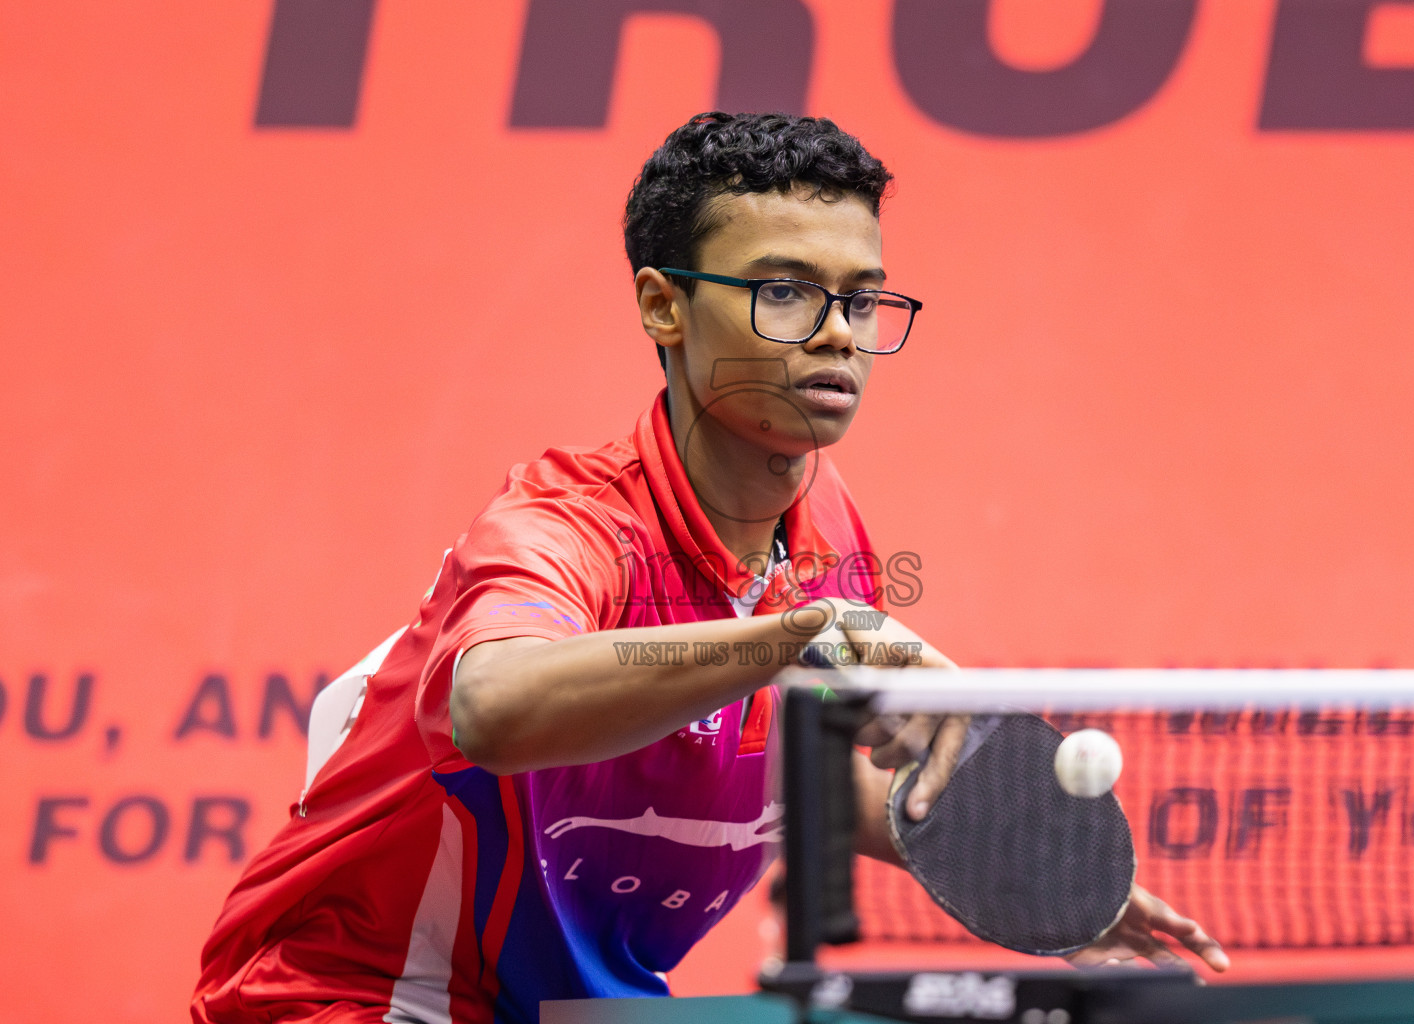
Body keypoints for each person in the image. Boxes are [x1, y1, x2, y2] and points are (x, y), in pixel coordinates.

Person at [192, 112, 1225, 1024]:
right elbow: (492, 710)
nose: (836, 334)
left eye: (861, 301)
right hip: (362, 998)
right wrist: (802, 638)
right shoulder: (563, 522)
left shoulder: (827, 533)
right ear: (663, 306)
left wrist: (1008, 854)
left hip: (582, 1009)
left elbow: (773, 778)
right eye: (783, 291)